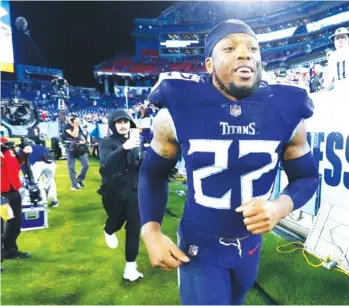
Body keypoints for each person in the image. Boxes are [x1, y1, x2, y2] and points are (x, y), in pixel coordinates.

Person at [138, 19, 319, 305]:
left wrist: (278, 206)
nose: (245, 54)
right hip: (200, 248)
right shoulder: (176, 110)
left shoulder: (287, 109)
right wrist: (151, 229)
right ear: (209, 64)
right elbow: (152, 175)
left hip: (250, 246)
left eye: (253, 48)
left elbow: (307, 177)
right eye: (230, 48)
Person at [98, 109, 144, 282]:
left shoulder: (136, 141)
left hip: (134, 192)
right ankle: (108, 229)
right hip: (113, 192)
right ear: (113, 124)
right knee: (115, 221)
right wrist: (124, 148)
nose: (123, 125)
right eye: (119, 122)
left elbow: (137, 163)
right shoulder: (106, 142)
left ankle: (130, 267)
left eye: (125, 122)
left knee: (134, 227)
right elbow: (105, 164)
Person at [1, 137, 33, 260]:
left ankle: (10, 249)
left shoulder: (7, 145)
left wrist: (24, 154)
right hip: (2, 193)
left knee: (16, 222)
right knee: (8, 219)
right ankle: (6, 251)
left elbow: (16, 165)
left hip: (13, 190)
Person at [21, 142, 58, 207]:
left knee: (36, 182)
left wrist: (26, 175)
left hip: (38, 164)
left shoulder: (21, 150)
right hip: (51, 163)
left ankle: (43, 201)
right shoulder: (39, 146)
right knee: (51, 182)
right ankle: (54, 201)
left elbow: (22, 164)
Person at [62, 115, 89, 190]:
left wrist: (84, 140)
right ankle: (74, 185)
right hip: (70, 149)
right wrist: (76, 126)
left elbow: (79, 135)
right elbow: (74, 134)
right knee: (71, 168)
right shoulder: (66, 127)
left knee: (86, 165)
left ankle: (79, 180)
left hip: (79, 148)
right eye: (72, 120)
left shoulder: (78, 126)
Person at [325, 27, 349, 91]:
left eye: (342, 37)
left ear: (347, 39)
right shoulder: (332, 56)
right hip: (338, 88)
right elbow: (330, 73)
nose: (340, 40)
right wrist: (326, 86)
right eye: (337, 38)